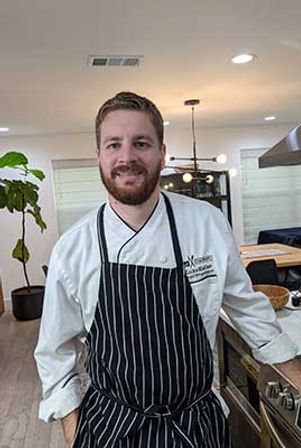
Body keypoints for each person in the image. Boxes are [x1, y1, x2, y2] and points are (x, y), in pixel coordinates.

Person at [35, 91, 300, 448]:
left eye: (141, 143)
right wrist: (74, 433)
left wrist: (296, 376)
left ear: (162, 152)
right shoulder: (73, 249)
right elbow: (55, 355)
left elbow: (248, 310)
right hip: (111, 428)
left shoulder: (206, 224)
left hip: (196, 425)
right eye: (113, 144)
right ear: (98, 155)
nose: (126, 157)